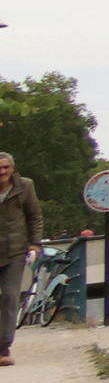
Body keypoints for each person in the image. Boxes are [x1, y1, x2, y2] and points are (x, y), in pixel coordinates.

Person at [0, 153, 44, 366]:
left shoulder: (25, 186)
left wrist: (35, 244)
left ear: (12, 169)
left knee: (10, 296)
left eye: (6, 167)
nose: (2, 172)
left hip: (14, 252)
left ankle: (3, 347)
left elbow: (34, 216)